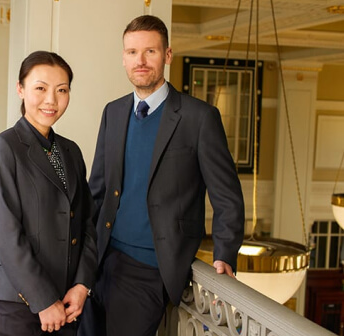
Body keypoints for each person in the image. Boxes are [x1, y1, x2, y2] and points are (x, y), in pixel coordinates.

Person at [78, 15, 245, 336]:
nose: (139, 61)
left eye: (149, 52)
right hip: (99, 259)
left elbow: (226, 194)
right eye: (131, 52)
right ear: (123, 58)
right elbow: (97, 189)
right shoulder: (113, 112)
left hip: (150, 267)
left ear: (167, 55)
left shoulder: (199, 117)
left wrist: (226, 253)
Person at [0, 50, 98, 336]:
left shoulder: (71, 151)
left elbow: (87, 223)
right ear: (20, 89)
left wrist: (82, 284)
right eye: (40, 89)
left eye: (62, 90)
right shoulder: (4, 147)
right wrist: (43, 300)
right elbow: (4, 233)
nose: (51, 100)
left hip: (69, 301)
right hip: (19, 301)